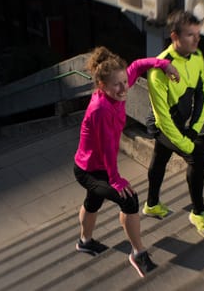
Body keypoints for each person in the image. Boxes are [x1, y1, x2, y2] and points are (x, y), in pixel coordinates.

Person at [73, 46, 180, 278]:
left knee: (93, 201)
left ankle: (84, 241)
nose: (124, 88)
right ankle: (138, 253)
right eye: (117, 85)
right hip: (88, 169)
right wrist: (115, 179)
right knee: (129, 200)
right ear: (102, 86)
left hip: (97, 164)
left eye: (124, 81)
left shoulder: (118, 85)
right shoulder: (100, 109)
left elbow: (140, 64)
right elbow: (108, 147)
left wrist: (165, 65)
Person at [144, 10, 204, 237]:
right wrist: (187, 144)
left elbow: (202, 94)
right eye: (190, 35)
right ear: (175, 36)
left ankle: (151, 204)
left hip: (182, 124)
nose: (197, 39)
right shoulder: (159, 68)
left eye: (198, 34)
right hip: (162, 125)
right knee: (196, 155)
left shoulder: (197, 57)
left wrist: (194, 128)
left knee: (160, 159)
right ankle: (198, 212)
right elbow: (163, 118)